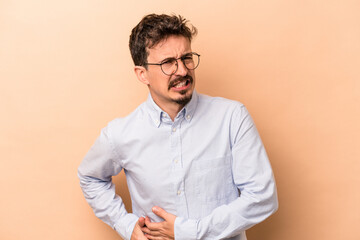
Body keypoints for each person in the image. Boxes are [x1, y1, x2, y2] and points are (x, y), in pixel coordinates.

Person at [78, 13, 278, 240]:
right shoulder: (120, 134)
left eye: (187, 58)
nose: (182, 71)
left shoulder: (232, 118)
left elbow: (262, 197)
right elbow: (90, 177)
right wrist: (124, 224)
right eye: (167, 63)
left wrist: (188, 232)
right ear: (142, 74)